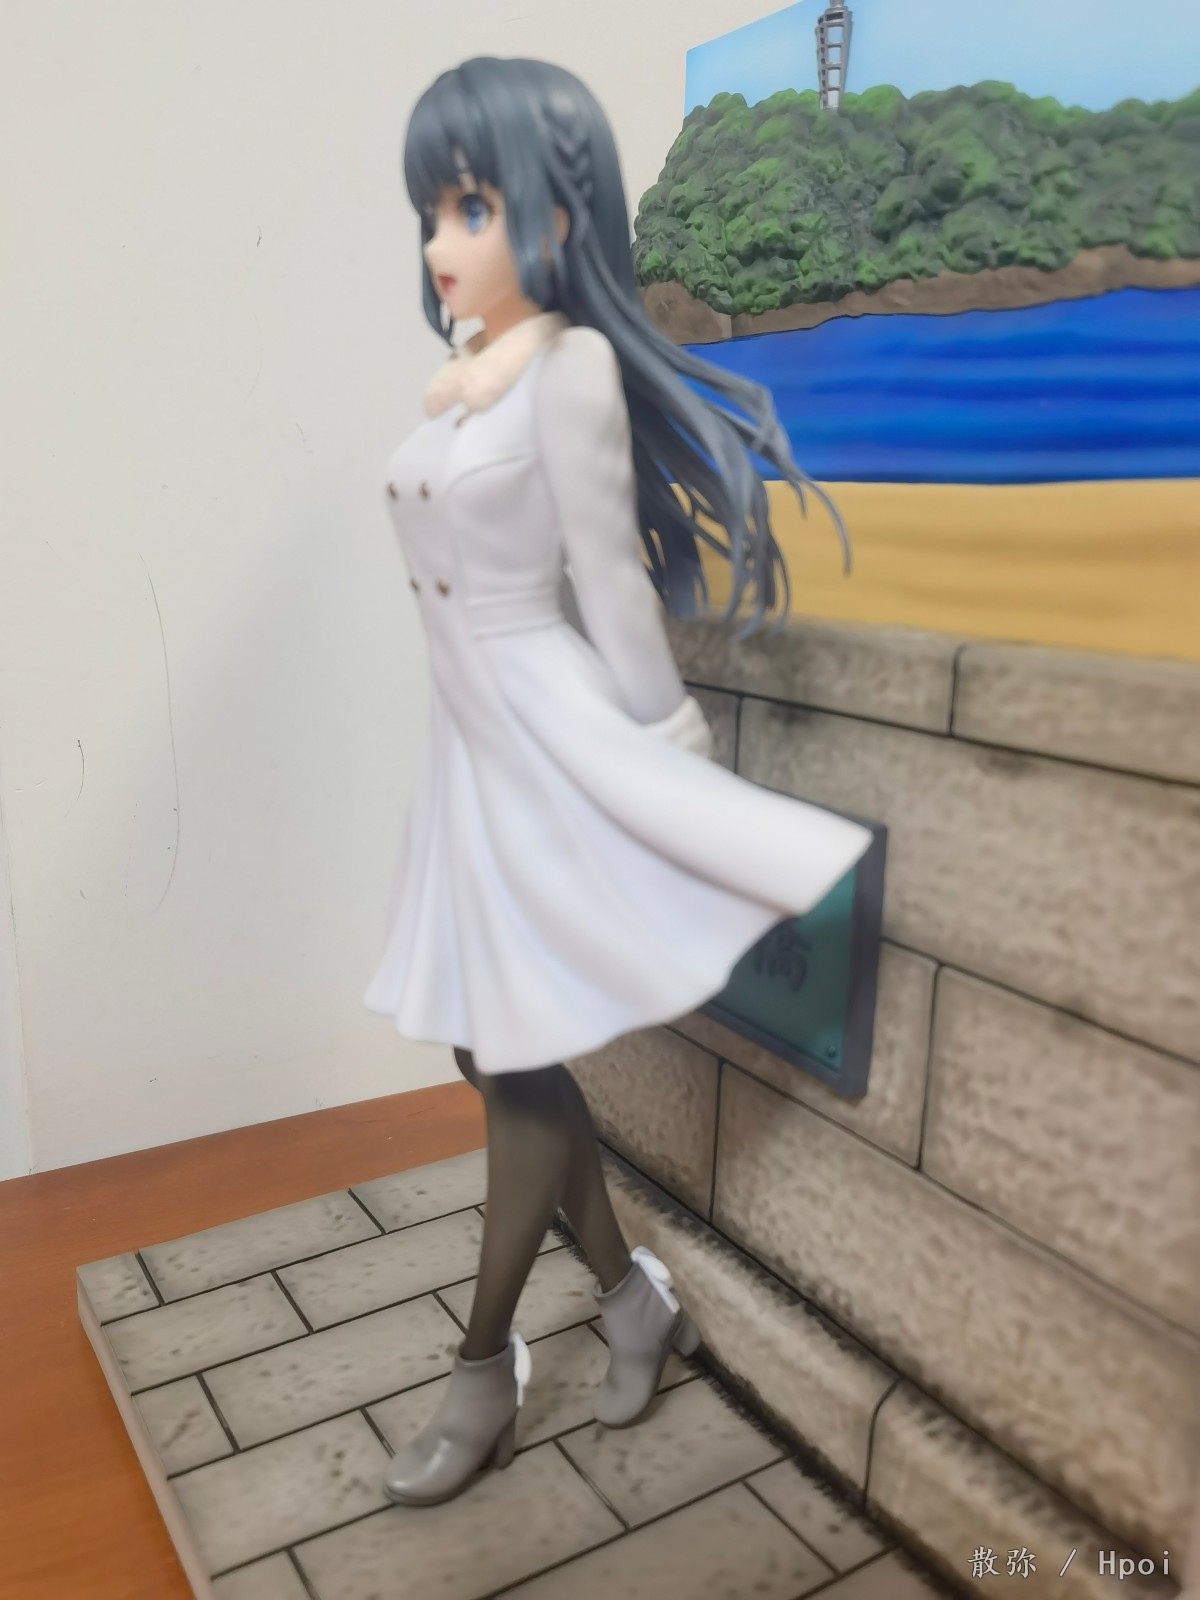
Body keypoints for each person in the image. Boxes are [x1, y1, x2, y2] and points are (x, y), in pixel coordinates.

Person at [362, 55, 873, 1507]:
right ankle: (634, 1302)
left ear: (555, 214)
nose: (440, 241)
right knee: (488, 1054)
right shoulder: (468, 386)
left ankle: (483, 1371)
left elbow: (612, 582)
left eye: (471, 207)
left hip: (546, 738)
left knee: (514, 1065)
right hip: (468, 751)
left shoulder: (572, 371)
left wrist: (670, 765)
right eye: (432, 210)